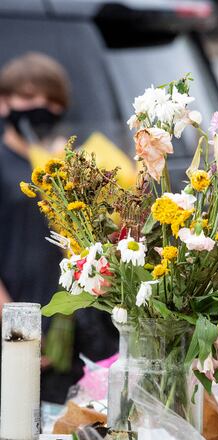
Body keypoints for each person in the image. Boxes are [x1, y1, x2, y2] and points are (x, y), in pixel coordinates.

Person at [0, 53, 117, 403]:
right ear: (4, 102)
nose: (40, 107)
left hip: (71, 323)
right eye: (27, 97)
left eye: (51, 100)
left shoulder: (69, 165)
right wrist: (19, 336)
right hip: (17, 320)